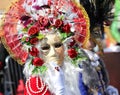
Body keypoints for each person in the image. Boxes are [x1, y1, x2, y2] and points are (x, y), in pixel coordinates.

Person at [1, 0, 119, 95]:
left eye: (57, 45)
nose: (53, 53)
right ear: (38, 52)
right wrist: (60, 91)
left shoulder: (74, 71)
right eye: (46, 48)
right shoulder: (36, 84)